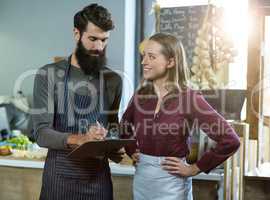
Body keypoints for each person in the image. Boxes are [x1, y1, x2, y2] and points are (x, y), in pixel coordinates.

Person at [120, 33, 240, 200]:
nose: (144, 62)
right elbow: (124, 127)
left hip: (173, 184)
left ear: (171, 62)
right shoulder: (140, 96)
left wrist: (194, 168)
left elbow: (230, 140)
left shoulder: (190, 99)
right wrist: (132, 150)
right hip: (142, 181)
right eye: (144, 56)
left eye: (151, 57)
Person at [32, 4, 122, 200]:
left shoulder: (113, 80)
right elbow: (41, 133)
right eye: (93, 39)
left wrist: (111, 142)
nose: (99, 47)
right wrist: (81, 139)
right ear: (76, 34)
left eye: (104, 40)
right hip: (59, 182)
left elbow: (114, 125)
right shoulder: (48, 75)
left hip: (98, 181)